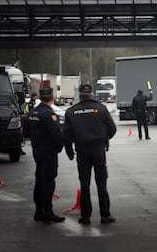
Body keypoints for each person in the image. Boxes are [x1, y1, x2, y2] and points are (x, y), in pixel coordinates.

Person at [63, 84, 117, 225]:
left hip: (82, 151)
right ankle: (105, 215)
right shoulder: (101, 109)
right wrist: (103, 139)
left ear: (79, 95)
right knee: (101, 183)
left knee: (85, 184)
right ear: (92, 94)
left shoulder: (71, 111)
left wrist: (69, 151)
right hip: (98, 150)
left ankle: (86, 216)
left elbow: (66, 135)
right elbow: (112, 129)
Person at [24, 88, 65, 223]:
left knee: (39, 180)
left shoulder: (32, 113)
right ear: (52, 97)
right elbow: (57, 135)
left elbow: (25, 132)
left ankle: (38, 211)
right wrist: (59, 148)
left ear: (40, 97)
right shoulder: (48, 114)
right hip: (48, 152)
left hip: (37, 151)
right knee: (48, 182)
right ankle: (48, 211)